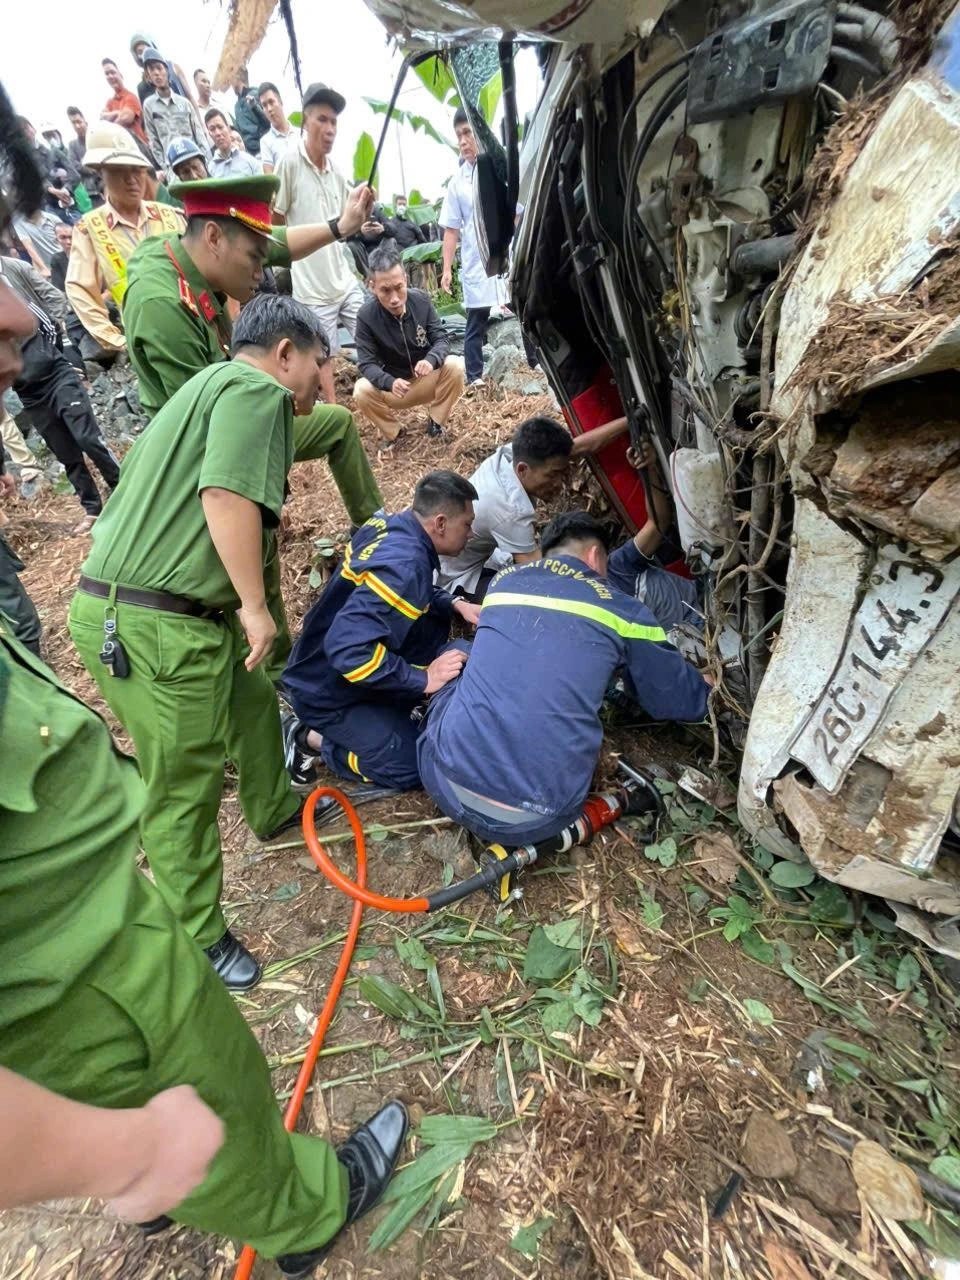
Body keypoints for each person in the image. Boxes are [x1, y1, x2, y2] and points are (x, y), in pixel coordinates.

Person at [67, 294, 324, 992]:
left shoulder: (199, 390)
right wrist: (253, 607)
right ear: (285, 354)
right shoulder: (253, 389)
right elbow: (225, 497)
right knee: (184, 782)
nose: (319, 385)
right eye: (317, 366)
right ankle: (197, 933)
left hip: (152, 613)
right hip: (156, 626)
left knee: (249, 697)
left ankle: (272, 805)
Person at [121, 173, 382, 680]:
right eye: (255, 261)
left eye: (264, 259)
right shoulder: (161, 303)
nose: (263, 272)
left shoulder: (203, 254)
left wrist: (339, 225)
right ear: (215, 238)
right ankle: (279, 666)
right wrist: (266, 478)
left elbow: (275, 244)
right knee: (251, 521)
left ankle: (373, 530)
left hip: (238, 408)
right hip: (200, 446)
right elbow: (216, 429)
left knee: (336, 423)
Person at [419, 510, 711, 848]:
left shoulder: (502, 583)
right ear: (595, 556)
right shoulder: (623, 610)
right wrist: (704, 687)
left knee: (459, 655)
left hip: (444, 783)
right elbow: (673, 700)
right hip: (536, 816)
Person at [283, 471, 480, 791]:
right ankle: (311, 739)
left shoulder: (393, 528)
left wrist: (454, 604)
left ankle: (393, 706)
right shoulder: (406, 565)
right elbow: (348, 650)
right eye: (467, 525)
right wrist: (424, 678)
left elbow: (402, 592)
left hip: (323, 660)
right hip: (328, 690)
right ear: (441, 523)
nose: (470, 534)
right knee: (414, 766)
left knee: (434, 621)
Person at [438, 415, 629, 600]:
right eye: (553, 475)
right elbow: (540, 575)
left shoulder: (517, 456)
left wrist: (629, 421)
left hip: (484, 553)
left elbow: (579, 446)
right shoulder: (509, 509)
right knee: (519, 597)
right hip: (455, 575)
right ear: (522, 470)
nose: (559, 483)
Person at [0, 253, 120, 534]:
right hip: (29, 393)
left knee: (87, 437)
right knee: (66, 453)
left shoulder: (14, 303)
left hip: (57, 376)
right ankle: (92, 508)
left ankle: (121, 484)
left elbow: (48, 323)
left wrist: (61, 359)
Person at [274, 83, 366, 405]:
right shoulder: (289, 164)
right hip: (311, 285)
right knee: (322, 354)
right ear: (306, 122)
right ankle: (336, 412)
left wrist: (363, 217)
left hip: (342, 277)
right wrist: (280, 259)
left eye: (334, 123)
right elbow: (276, 217)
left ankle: (383, 393)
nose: (329, 129)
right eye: (322, 120)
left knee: (370, 331)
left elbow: (348, 224)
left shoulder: (338, 174)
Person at [65, 124, 183, 358]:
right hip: (148, 346)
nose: (132, 180)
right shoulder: (91, 229)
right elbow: (80, 290)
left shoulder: (169, 215)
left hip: (194, 328)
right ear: (101, 172)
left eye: (137, 170)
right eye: (120, 171)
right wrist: (117, 340)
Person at [353, 243, 465, 443]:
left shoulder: (421, 301)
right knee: (361, 390)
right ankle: (395, 434)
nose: (394, 299)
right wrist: (389, 382)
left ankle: (436, 422)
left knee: (456, 365)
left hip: (425, 380)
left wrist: (431, 360)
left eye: (399, 288)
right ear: (372, 286)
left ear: (405, 279)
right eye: (385, 291)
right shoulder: (366, 316)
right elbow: (366, 363)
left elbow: (441, 339)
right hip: (393, 389)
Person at [440, 108, 500, 389]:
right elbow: (451, 229)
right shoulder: (456, 183)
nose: (463, 141)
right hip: (477, 261)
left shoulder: (497, 167)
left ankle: (534, 361)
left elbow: (519, 210)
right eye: (459, 135)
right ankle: (474, 376)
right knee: (476, 319)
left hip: (504, 253)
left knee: (522, 307)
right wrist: (446, 269)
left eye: (468, 133)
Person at [142, 48, 209, 171]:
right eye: (152, 69)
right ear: (148, 76)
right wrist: (167, 169)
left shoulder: (184, 103)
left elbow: (199, 136)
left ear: (167, 71)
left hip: (195, 162)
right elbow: (154, 142)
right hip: (174, 169)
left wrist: (205, 163)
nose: (157, 73)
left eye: (159, 68)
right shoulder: (148, 106)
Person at [129, 33, 193, 106]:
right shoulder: (142, 88)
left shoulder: (173, 67)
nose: (145, 54)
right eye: (140, 52)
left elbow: (190, 97)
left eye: (146, 49)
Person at [100, 57, 150, 146]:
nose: (110, 76)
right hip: (121, 148)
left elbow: (126, 118)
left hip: (139, 147)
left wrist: (111, 117)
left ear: (120, 75)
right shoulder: (109, 102)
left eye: (113, 72)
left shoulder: (131, 97)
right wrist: (117, 113)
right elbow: (102, 120)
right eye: (107, 74)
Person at [206, 107, 262, 177]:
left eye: (220, 127)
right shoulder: (210, 169)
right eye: (212, 129)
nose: (217, 133)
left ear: (228, 129)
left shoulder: (250, 161)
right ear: (209, 134)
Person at [65, 108, 104, 208]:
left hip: (108, 184)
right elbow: (73, 165)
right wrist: (93, 166)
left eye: (79, 122)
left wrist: (85, 163)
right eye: (74, 123)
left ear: (85, 121)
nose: (77, 126)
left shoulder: (98, 137)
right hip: (92, 192)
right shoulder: (72, 145)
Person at [259, 82, 299, 174]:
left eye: (271, 102)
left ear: (280, 102)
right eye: (264, 105)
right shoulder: (265, 142)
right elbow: (269, 178)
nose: (269, 109)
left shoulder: (301, 134)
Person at [232, 65, 270, 155]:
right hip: (249, 153)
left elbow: (268, 121)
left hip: (264, 149)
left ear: (238, 77)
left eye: (231, 78)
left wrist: (255, 106)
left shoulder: (256, 94)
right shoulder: (236, 106)